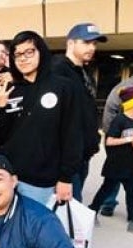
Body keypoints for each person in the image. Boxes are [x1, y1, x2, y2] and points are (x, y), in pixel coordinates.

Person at [0, 30, 83, 205]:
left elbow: (73, 135)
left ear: (41, 52)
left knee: (35, 229)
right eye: (17, 54)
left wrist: (66, 177)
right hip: (9, 176)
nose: (23, 58)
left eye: (29, 52)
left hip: (42, 180)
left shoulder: (63, 87)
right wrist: (0, 107)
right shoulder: (10, 89)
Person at [52, 23, 107, 202]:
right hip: (65, 157)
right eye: (86, 42)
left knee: (73, 206)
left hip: (82, 154)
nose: (92, 47)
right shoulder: (57, 70)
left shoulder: (84, 72)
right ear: (70, 43)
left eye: (94, 44)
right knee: (68, 208)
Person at [89, 85, 133, 233]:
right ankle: (92, 211)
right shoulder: (119, 120)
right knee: (107, 189)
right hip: (117, 163)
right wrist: (129, 139)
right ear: (132, 104)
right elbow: (109, 141)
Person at [98, 55, 133, 217]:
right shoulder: (124, 87)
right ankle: (108, 204)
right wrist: (112, 137)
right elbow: (110, 111)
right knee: (114, 177)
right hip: (122, 139)